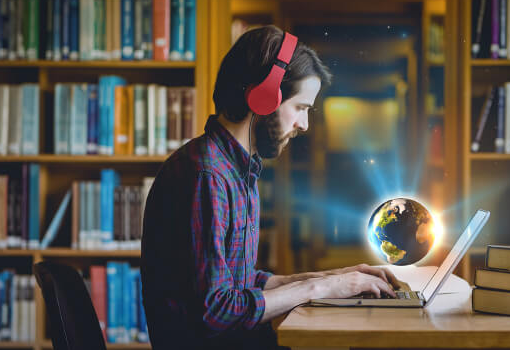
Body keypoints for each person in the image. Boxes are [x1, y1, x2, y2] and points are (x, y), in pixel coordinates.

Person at [141, 25, 401, 350]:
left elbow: (241, 283)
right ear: (264, 98)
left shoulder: (235, 169)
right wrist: (317, 290)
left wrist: (336, 278)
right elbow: (215, 311)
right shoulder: (206, 174)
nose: (303, 125)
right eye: (300, 108)